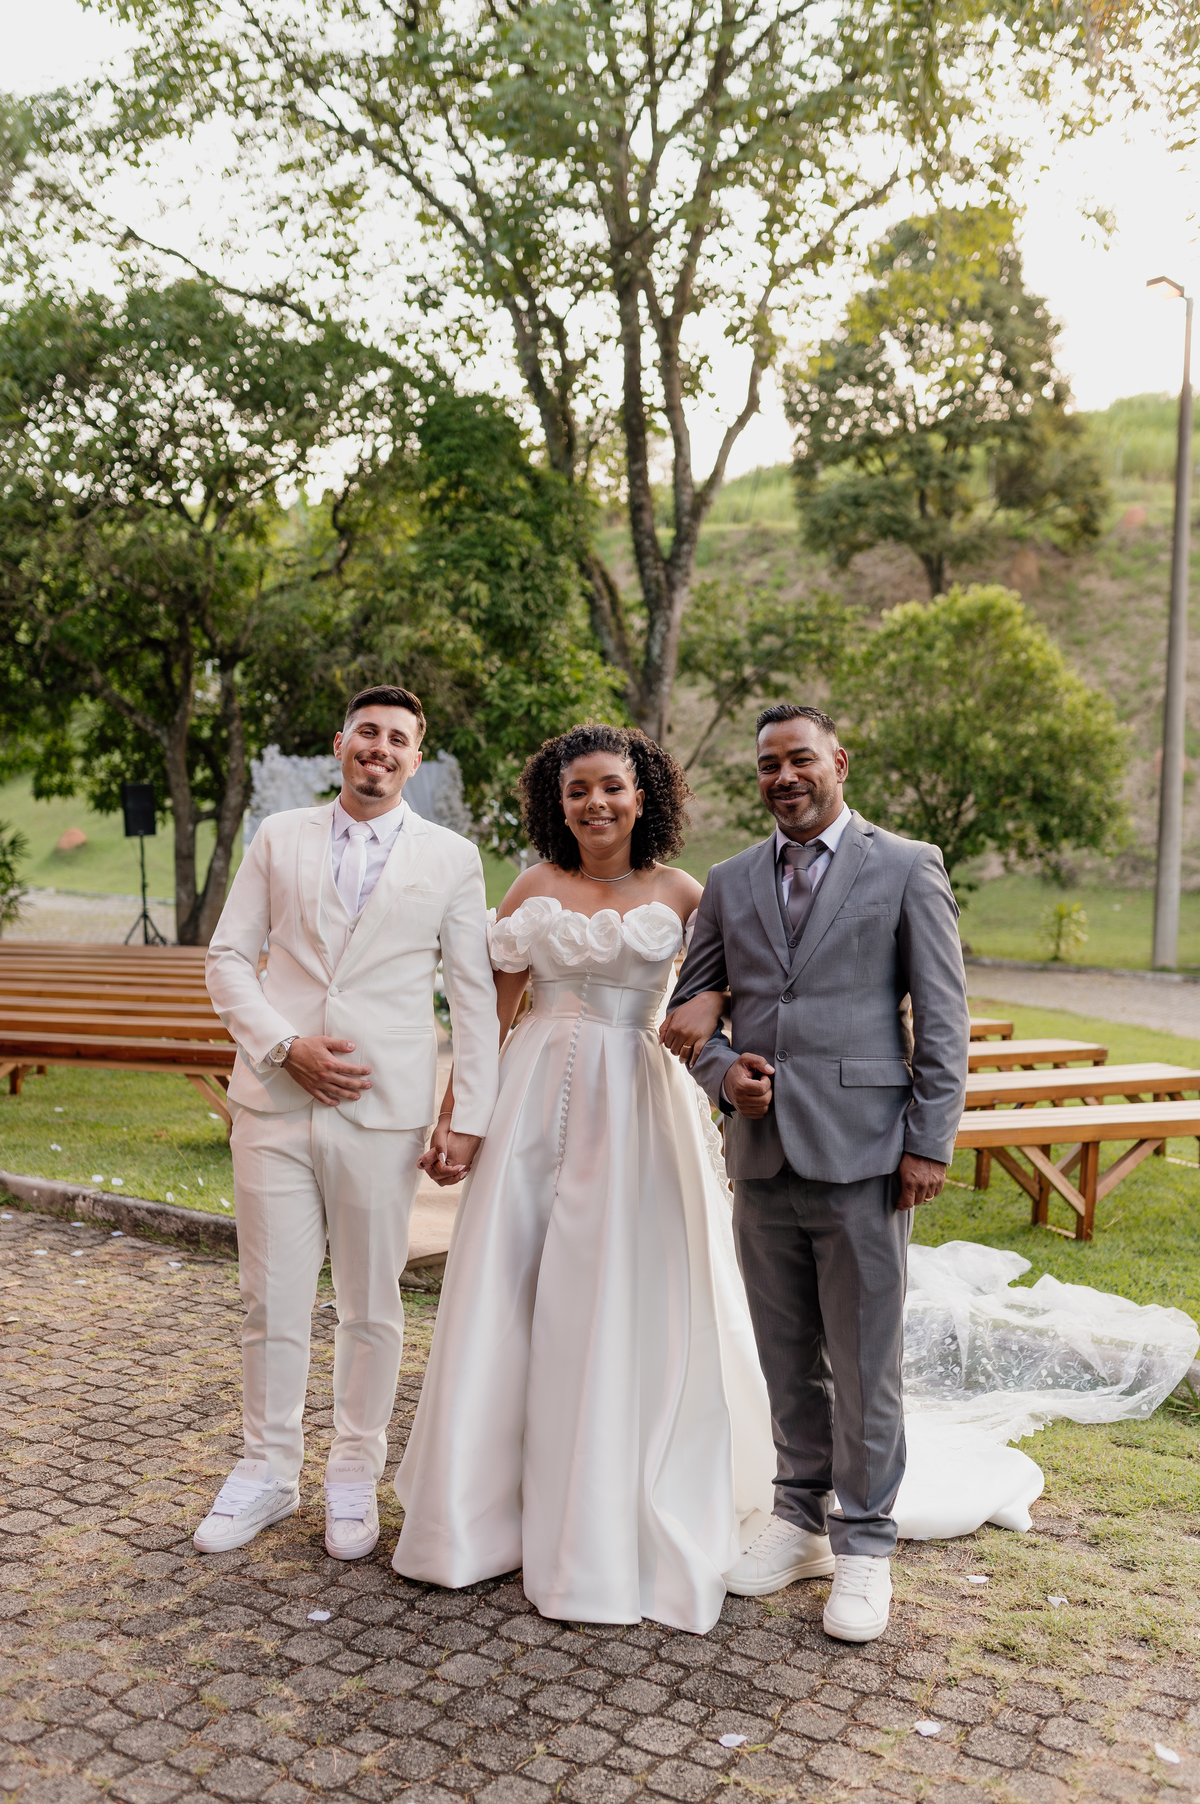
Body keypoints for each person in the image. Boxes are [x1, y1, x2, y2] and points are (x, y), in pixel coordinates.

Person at [390, 723, 777, 1633]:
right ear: (555, 804)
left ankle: (603, 1516)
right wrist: (458, 1116)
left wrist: (712, 1002)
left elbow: (731, 987)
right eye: (576, 791)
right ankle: (479, 1518)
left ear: (643, 795)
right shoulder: (531, 886)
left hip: (636, 1105)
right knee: (505, 1289)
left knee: (612, 1296)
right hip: (528, 1102)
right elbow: (491, 1015)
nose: (594, 803)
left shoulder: (686, 893)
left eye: (610, 786)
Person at [660, 703, 969, 1643]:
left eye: (800, 759)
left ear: (838, 761)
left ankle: (865, 1543)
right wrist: (725, 1076)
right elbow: (692, 1010)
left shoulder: (907, 865)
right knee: (785, 1352)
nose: (784, 777)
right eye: (768, 765)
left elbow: (942, 1018)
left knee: (866, 1360)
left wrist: (929, 1142)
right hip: (762, 1157)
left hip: (867, 1151)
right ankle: (799, 1519)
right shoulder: (729, 880)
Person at [198, 685, 499, 1560]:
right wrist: (283, 1044)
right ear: (341, 744)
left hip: (383, 1109)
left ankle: (354, 1472)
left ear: (416, 758)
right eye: (368, 731)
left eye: (398, 738)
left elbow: (473, 997)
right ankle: (266, 1469)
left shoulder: (452, 857)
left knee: (371, 1304)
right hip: (273, 1100)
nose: (381, 747)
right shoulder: (278, 836)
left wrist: (468, 1114)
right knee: (270, 1298)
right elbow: (228, 957)